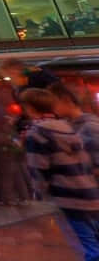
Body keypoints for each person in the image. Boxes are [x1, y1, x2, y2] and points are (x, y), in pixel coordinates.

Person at [24, 87, 99, 260]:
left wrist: (39, 191)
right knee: (93, 239)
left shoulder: (38, 133)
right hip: (88, 192)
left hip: (68, 195)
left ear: (30, 108)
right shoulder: (67, 127)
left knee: (86, 245)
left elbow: (38, 167)